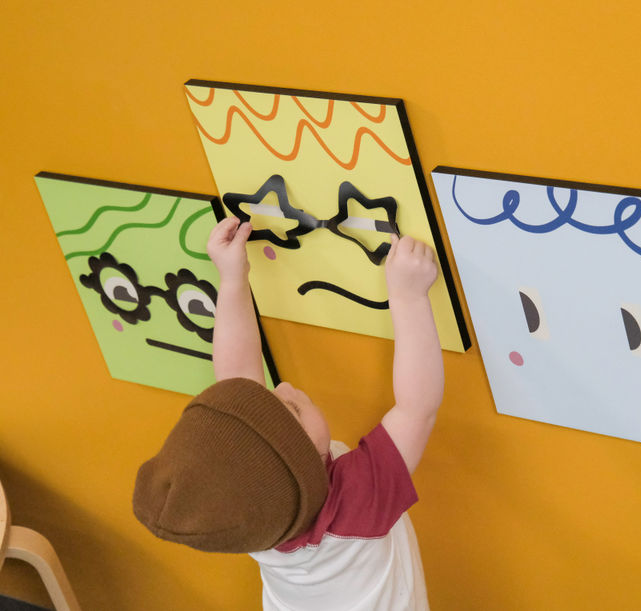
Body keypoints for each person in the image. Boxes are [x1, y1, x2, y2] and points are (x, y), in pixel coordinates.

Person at [133, 216, 444, 610]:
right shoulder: (356, 500)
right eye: (293, 408)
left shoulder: (254, 516)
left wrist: (232, 280)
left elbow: (237, 381)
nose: (280, 388)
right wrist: (408, 296)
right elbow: (418, 407)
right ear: (306, 460)